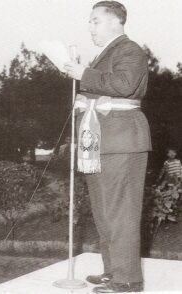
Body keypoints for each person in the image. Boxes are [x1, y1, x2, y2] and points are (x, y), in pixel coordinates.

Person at [64, 1, 151, 293]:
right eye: (90, 22)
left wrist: (84, 75)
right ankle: (113, 270)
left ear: (116, 22)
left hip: (122, 140)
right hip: (101, 140)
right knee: (104, 211)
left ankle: (127, 279)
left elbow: (125, 84)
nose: (90, 27)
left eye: (95, 21)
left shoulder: (130, 50)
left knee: (121, 212)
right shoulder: (106, 54)